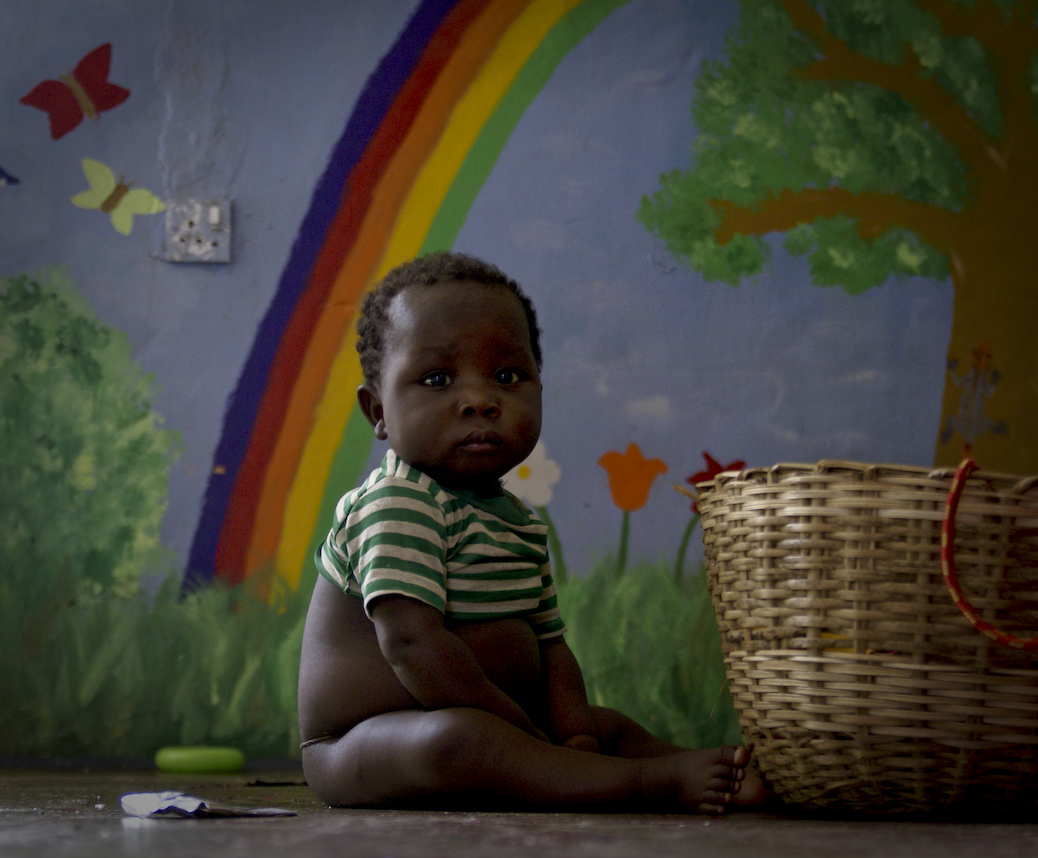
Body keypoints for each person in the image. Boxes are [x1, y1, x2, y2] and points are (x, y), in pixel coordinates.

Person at [297, 251, 766, 813]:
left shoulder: (516, 521)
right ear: (376, 410)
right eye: (438, 379)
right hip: (363, 745)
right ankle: (647, 786)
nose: (479, 399)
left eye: (507, 376)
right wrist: (518, 728)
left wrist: (576, 737)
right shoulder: (398, 501)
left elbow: (551, 648)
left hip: (496, 721)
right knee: (459, 741)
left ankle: (699, 771)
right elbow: (411, 644)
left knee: (608, 727)